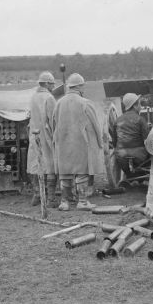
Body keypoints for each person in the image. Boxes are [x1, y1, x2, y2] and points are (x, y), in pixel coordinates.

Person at [52, 73, 103, 211]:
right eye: (83, 86)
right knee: (82, 172)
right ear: (79, 86)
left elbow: (53, 124)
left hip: (62, 143)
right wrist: (100, 141)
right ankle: (82, 201)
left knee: (65, 173)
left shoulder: (59, 103)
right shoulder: (85, 103)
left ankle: (64, 202)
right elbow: (96, 124)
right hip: (81, 143)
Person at [27, 71, 58, 208]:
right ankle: (51, 198)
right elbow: (52, 120)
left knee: (35, 164)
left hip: (34, 136)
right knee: (51, 165)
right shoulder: (49, 98)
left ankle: (37, 194)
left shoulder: (33, 97)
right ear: (46, 83)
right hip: (46, 136)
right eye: (51, 84)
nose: (53, 86)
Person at [110, 93, 150, 177]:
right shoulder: (141, 120)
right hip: (140, 156)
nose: (141, 106)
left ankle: (129, 175)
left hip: (121, 156)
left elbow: (114, 141)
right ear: (135, 106)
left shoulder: (117, 120)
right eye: (139, 104)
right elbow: (147, 141)